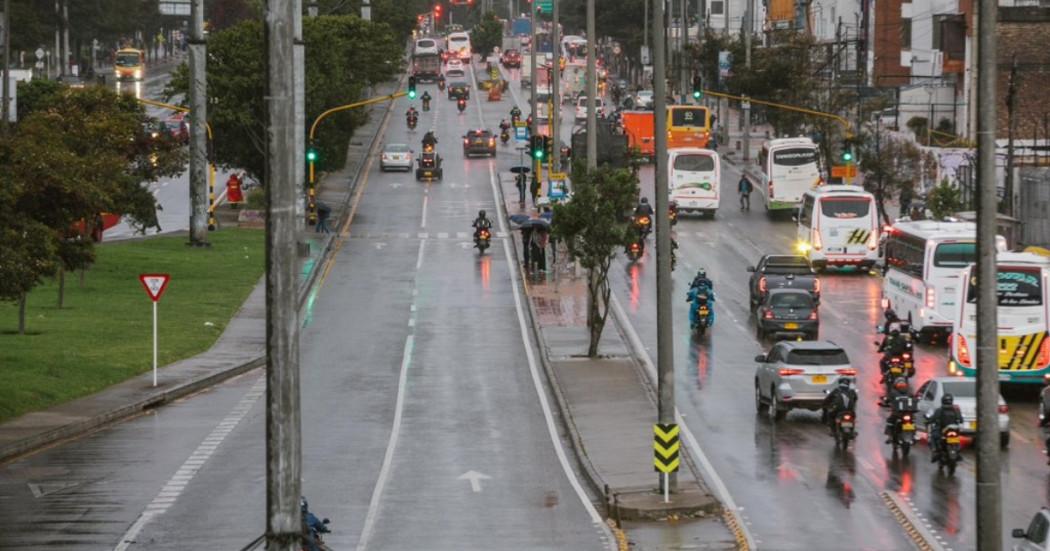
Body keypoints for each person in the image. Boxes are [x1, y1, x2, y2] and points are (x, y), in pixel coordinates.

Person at [927, 394, 963, 463]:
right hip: (953, 430)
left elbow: (933, 419)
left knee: (932, 437)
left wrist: (929, 421)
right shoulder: (956, 409)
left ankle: (935, 451)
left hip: (943, 430)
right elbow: (961, 420)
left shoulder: (939, 410)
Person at [884, 377, 917, 443]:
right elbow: (914, 398)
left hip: (899, 413)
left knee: (890, 421)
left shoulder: (893, 392)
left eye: (902, 384)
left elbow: (914, 398)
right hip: (908, 412)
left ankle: (890, 436)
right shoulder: (908, 392)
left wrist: (886, 401)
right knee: (891, 421)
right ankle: (891, 436)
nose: (901, 385)